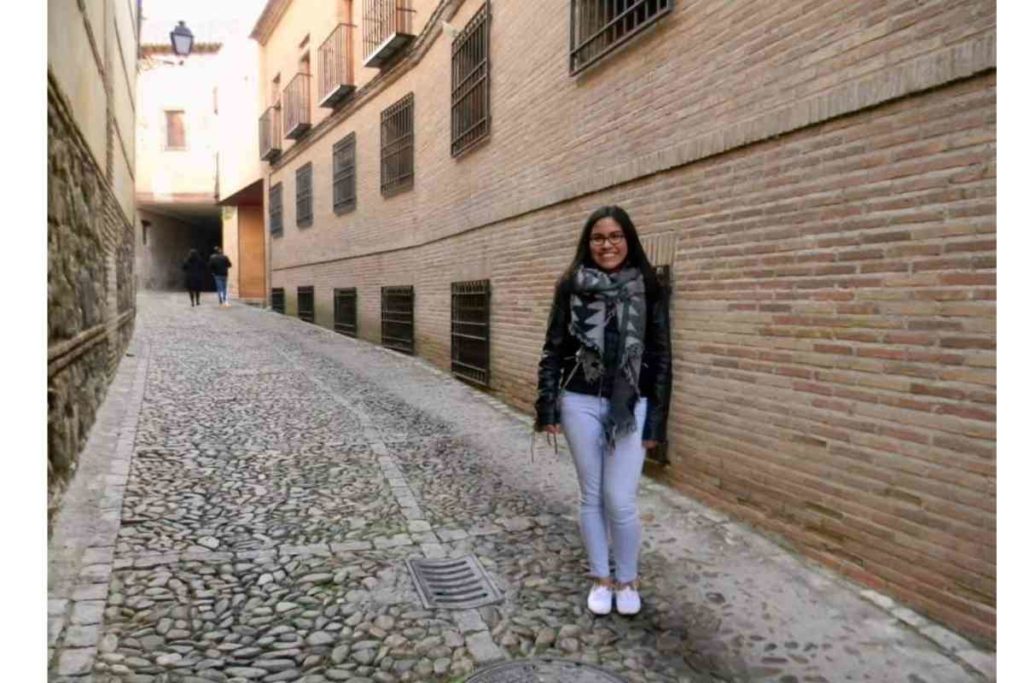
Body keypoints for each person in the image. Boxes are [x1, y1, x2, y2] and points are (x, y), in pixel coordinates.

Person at [535, 205, 672, 617]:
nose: (606, 244)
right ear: (587, 242)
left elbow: (663, 356)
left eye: (615, 236)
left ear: (627, 240)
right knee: (592, 495)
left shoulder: (647, 286)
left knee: (620, 499)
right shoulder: (571, 286)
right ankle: (602, 578)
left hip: (631, 404)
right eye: (598, 237)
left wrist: (657, 424)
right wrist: (548, 406)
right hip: (578, 400)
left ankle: (628, 578)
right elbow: (553, 348)